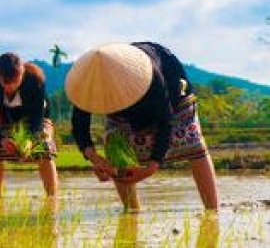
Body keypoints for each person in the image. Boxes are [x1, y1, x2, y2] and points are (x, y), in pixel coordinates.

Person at [67, 42, 219, 211]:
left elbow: (165, 121)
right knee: (117, 150)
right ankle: (132, 212)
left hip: (173, 99)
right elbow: (79, 123)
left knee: (193, 145)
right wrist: (95, 158)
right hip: (123, 115)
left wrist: (150, 168)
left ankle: (213, 211)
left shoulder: (150, 73)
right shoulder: (87, 84)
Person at [0, 52, 59, 198]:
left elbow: (37, 115)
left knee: (45, 149)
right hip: (5, 118)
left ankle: (52, 198)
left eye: (15, 81)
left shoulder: (35, 80)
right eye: (5, 83)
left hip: (36, 118)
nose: (10, 87)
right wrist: (1, 139)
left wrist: (29, 139)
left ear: (22, 73)